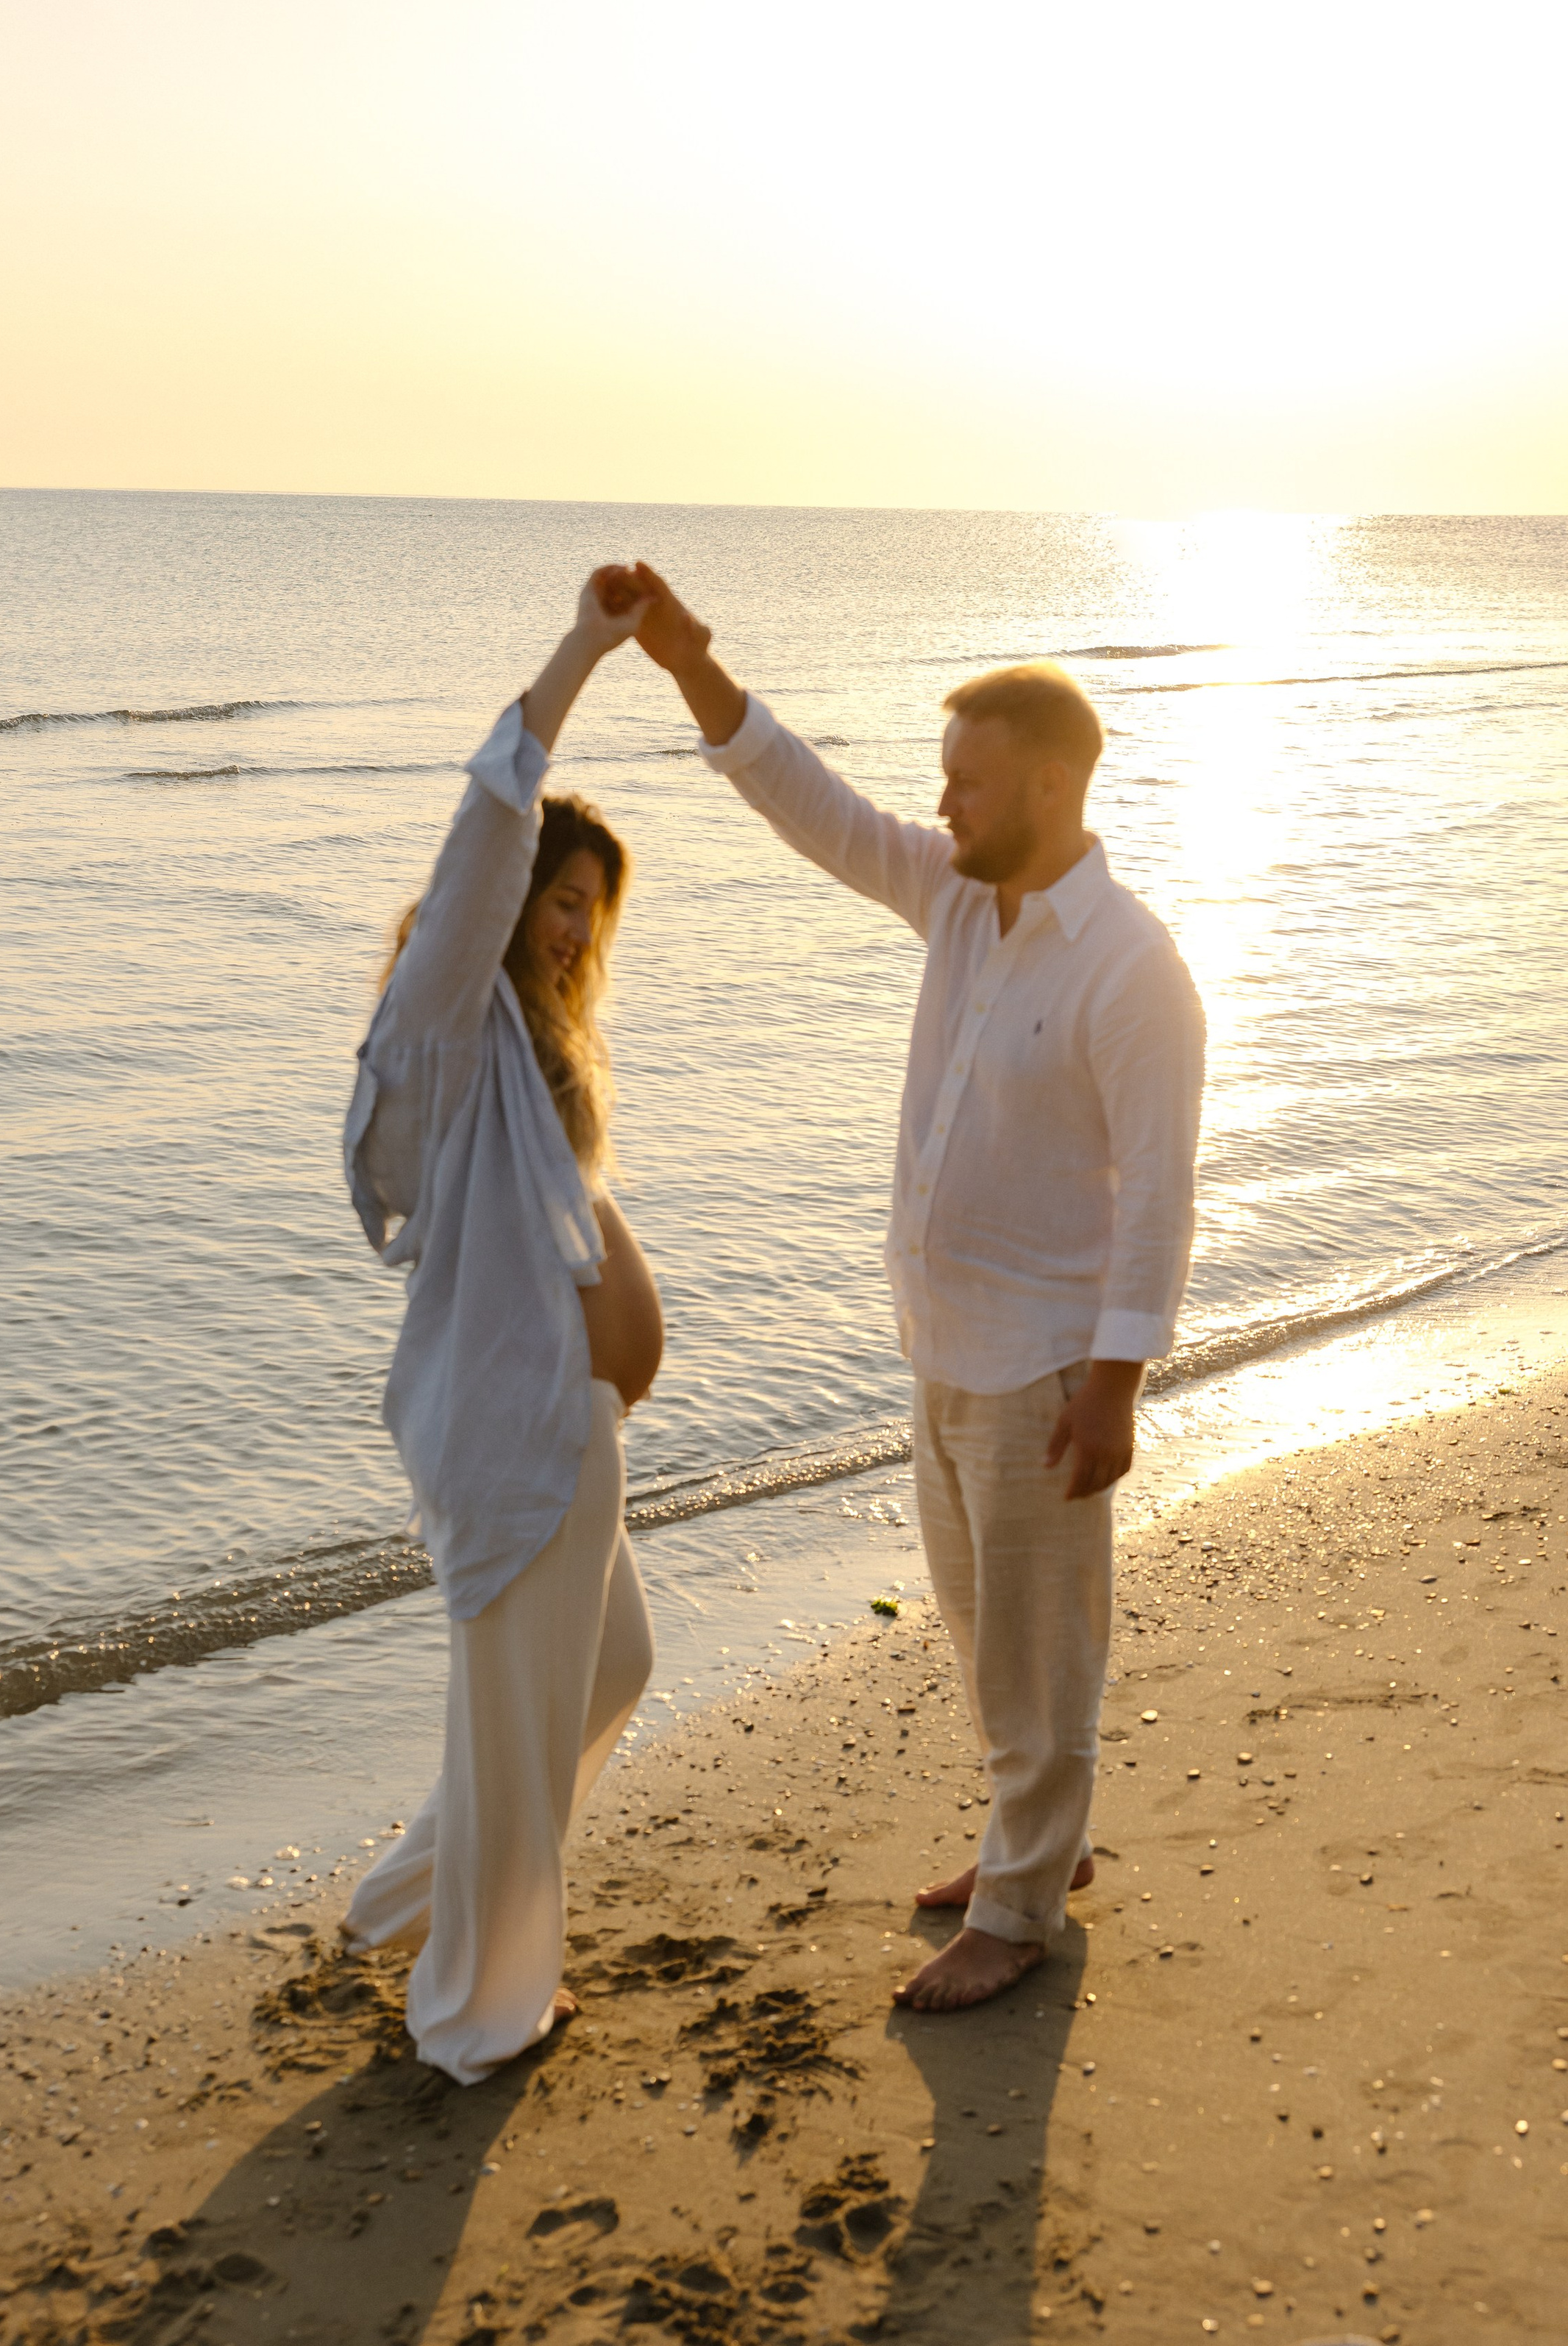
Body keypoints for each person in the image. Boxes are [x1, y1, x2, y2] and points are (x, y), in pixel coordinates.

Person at [628, 561, 1205, 2012]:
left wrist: (1117, 1383)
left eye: (966, 783)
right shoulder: (954, 905)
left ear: (1053, 788)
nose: (937, 805)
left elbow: (1158, 1191)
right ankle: (1036, 1842)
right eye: (939, 779)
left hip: (1043, 1368)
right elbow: (805, 800)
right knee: (976, 1626)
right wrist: (691, 663)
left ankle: (1018, 1909)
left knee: (1038, 1646)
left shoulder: (1130, 971)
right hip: (938, 1346)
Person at [338, 568, 662, 2083]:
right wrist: (582, 653)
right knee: (519, 1713)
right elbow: (483, 822)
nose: (568, 921)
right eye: (553, 889)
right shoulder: (453, 1027)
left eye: (588, 905)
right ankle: (475, 2009)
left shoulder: (541, 1063)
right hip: (507, 1432)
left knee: (603, 1674)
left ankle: (415, 1895)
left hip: (566, 1425)